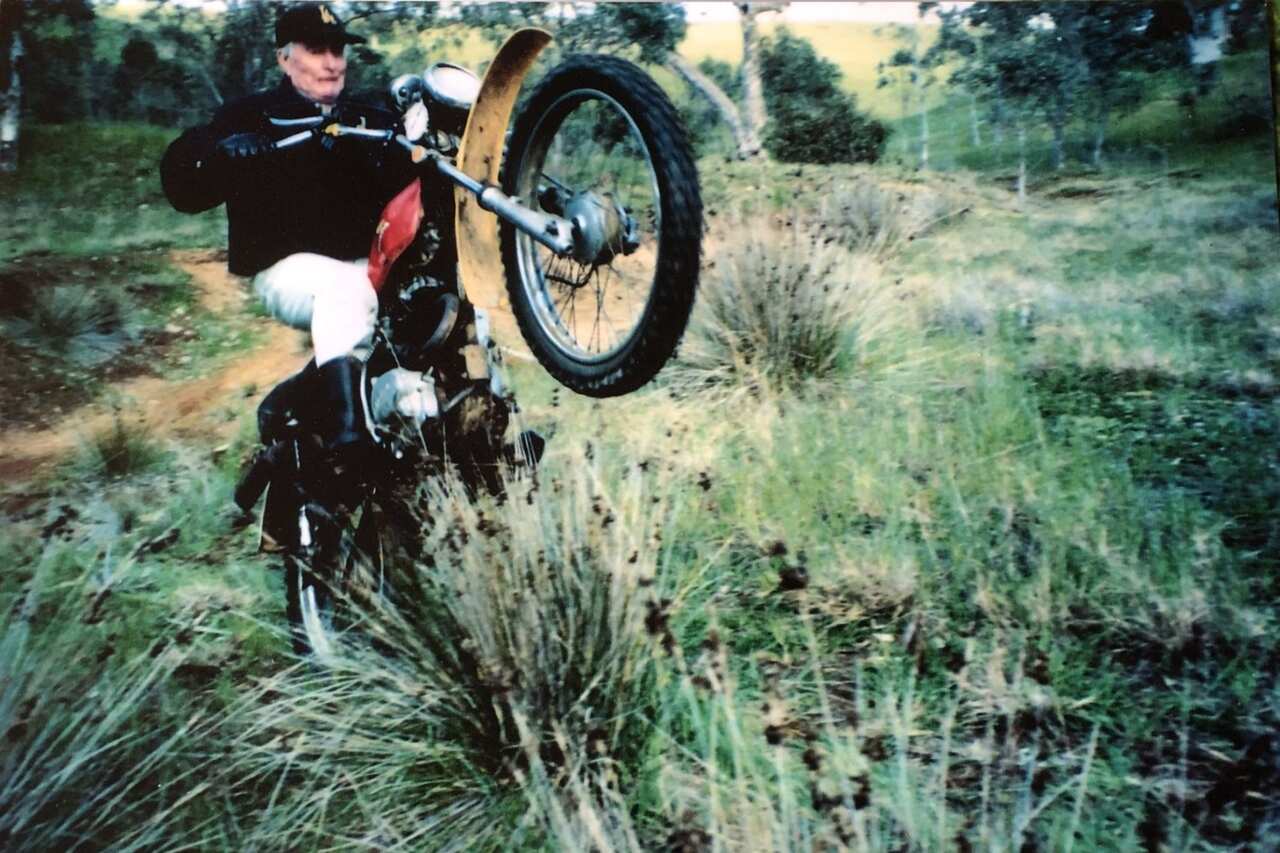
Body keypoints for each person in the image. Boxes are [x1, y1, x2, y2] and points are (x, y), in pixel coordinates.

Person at [160, 4, 415, 470]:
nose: (331, 62)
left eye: (337, 50)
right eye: (316, 51)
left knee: (433, 306)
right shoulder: (251, 115)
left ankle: (479, 425)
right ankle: (348, 438)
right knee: (345, 292)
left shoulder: (369, 114)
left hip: (370, 269)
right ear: (284, 59)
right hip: (284, 270)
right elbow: (182, 181)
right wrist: (218, 155)